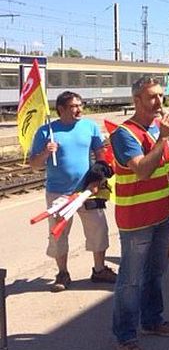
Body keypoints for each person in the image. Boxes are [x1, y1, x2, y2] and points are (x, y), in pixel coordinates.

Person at [110, 77, 169, 350]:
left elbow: (161, 166)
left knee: (155, 274)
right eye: (152, 96)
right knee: (131, 280)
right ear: (136, 100)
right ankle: (124, 336)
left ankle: (152, 320)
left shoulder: (153, 129)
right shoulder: (124, 133)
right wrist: (163, 137)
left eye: (162, 95)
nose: (159, 102)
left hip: (162, 214)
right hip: (137, 219)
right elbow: (141, 170)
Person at [30, 91, 116, 292]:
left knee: (98, 228)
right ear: (61, 109)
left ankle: (99, 269)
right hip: (58, 193)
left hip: (87, 189)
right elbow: (34, 165)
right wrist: (46, 152)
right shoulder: (46, 132)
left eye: (80, 105)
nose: (79, 109)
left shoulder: (90, 127)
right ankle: (62, 273)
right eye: (74, 106)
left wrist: (98, 178)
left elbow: (101, 155)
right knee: (58, 235)